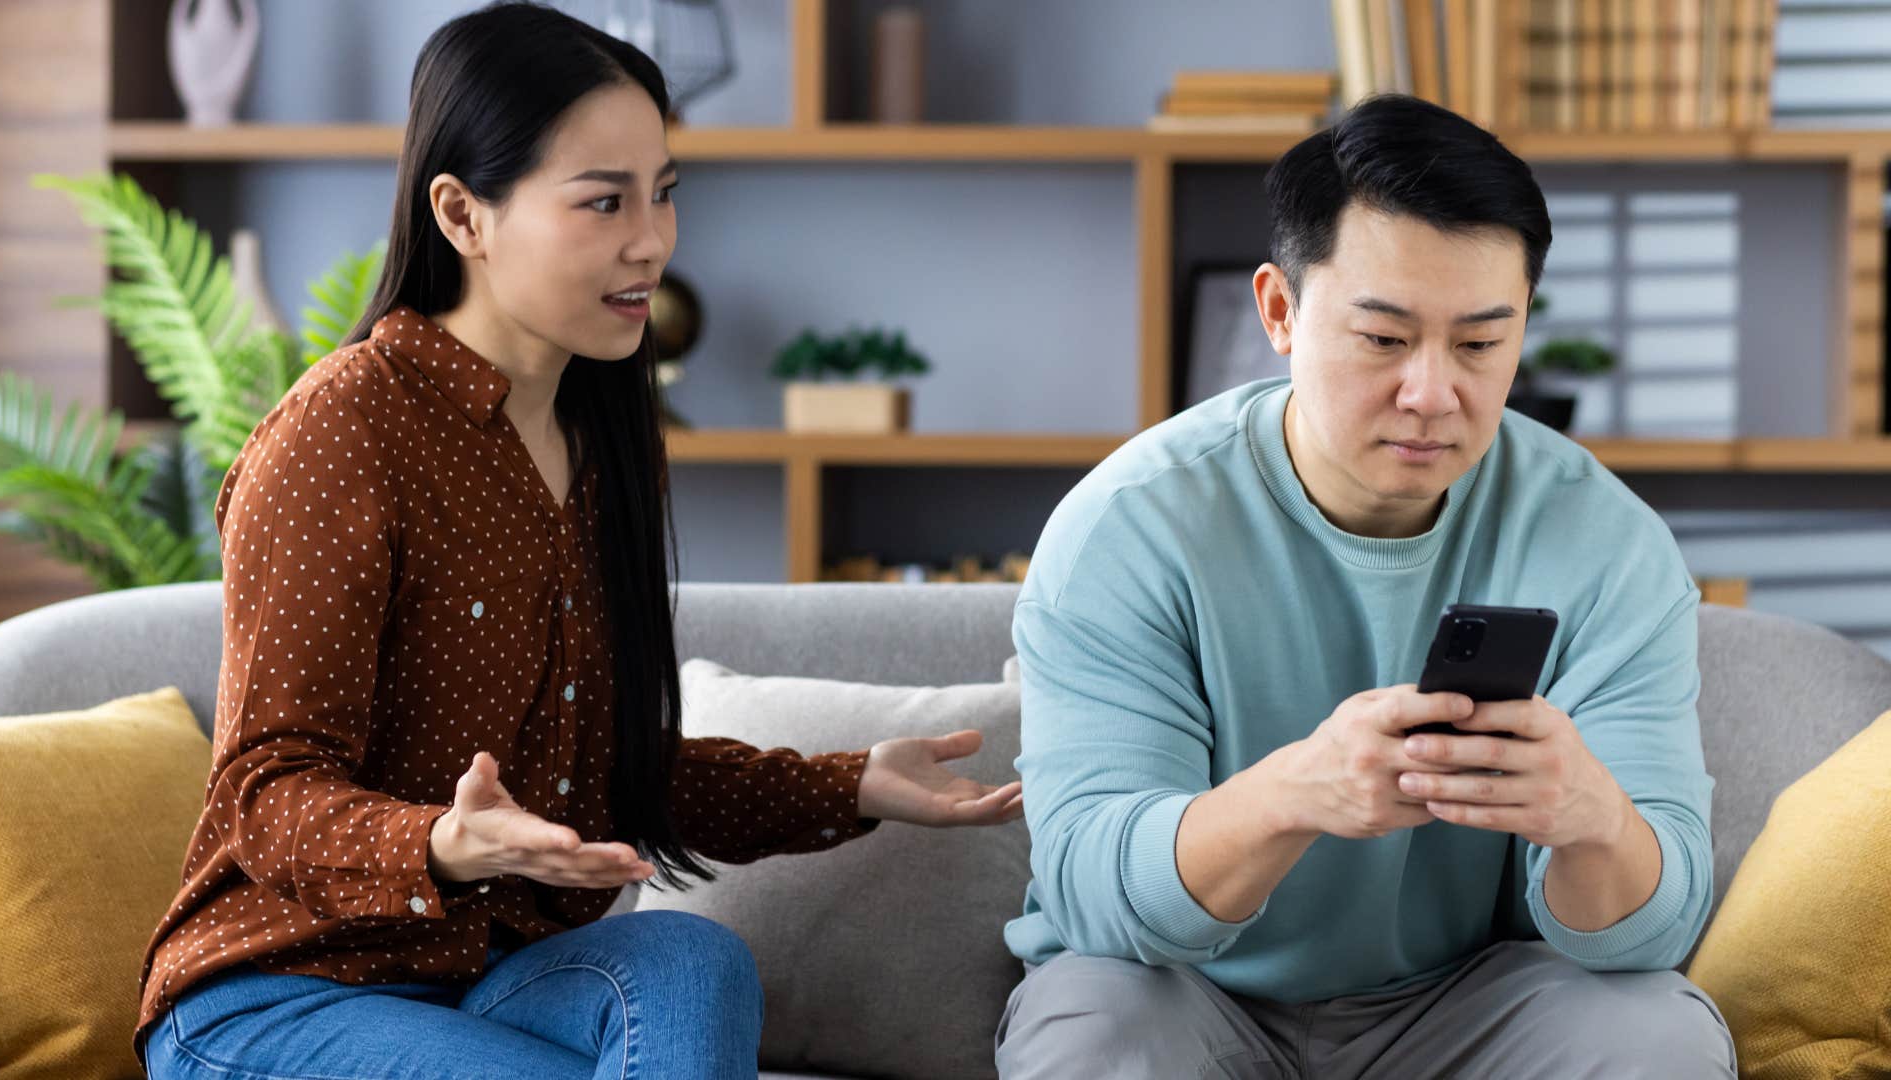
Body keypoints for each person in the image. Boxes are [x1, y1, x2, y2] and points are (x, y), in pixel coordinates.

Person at [132, 5, 1022, 1078]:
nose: (651, 238)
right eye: (603, 201)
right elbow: (263, 795)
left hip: (489, 984)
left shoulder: (604, 440)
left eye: (663, 192)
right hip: (277, 996)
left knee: (694, 961)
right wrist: (437, 846)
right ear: (463, 215)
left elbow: (615, 773)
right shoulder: (343, 434)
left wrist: (853, 784)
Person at [996, 93, 1736, 1079]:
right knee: (1096, 1029)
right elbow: (1092, 893)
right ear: (1279, 313)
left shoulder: (1607, 544)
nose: (1434, 394)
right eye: (1384, 340)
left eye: (1481, 345)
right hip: (1185, 990)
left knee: (1661, 1035)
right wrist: (1296, 795)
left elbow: (1656, 929)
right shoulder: (1129, 528)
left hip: (1468, 1000)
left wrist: (1593, 822)